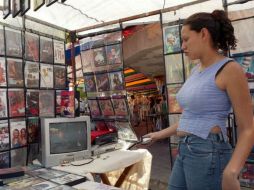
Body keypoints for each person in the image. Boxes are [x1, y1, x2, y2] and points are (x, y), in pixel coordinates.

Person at [144, 10, 254, 190]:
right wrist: (159, 134)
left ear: (203, 34)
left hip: (208, 151)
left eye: (186, 39)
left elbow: (248, 127)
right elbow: (190, 119)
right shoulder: (196, 70)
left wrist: (232, 170)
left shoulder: (229, 69)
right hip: (186, 150)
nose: (183, 46)